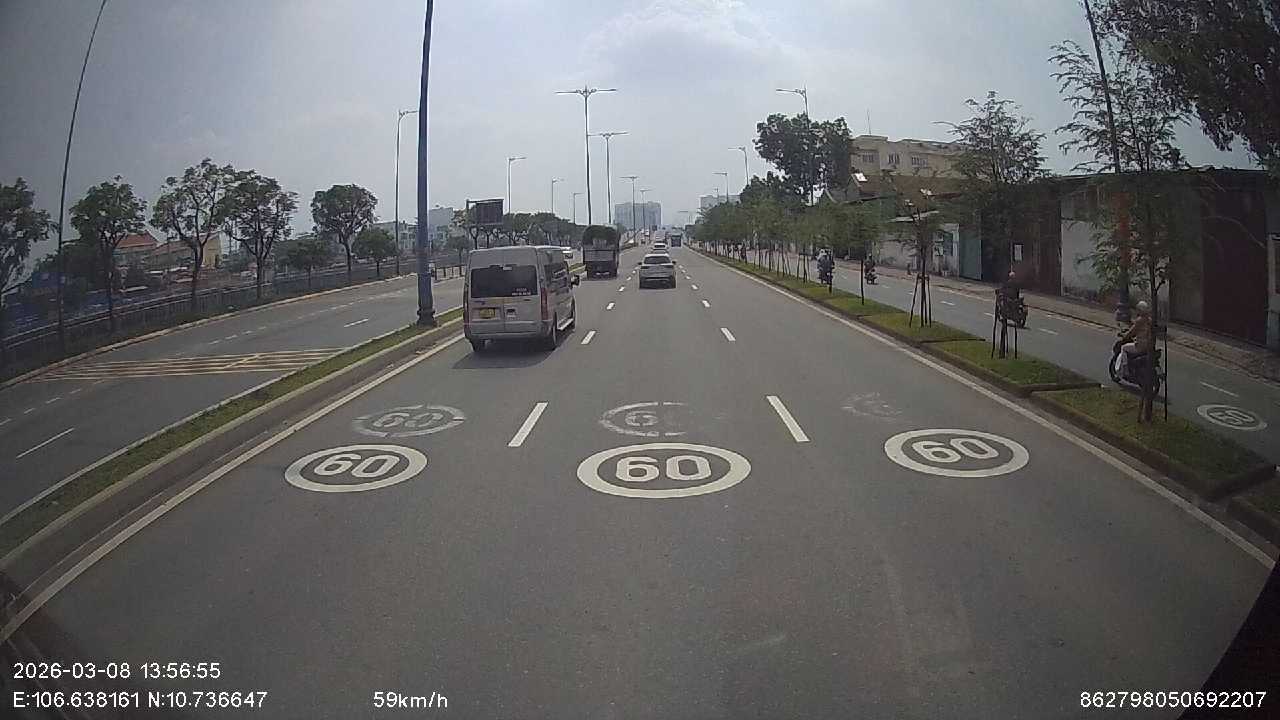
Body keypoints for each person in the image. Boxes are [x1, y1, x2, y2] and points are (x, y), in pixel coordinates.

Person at [1116, 300, 1153, 378]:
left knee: (1123, 348)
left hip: (1140, 346)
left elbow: (1132, 332)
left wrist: (1124, 336)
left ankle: (1125, 369)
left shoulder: (1140, 320)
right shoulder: (1149, 320)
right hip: (1149, 346)